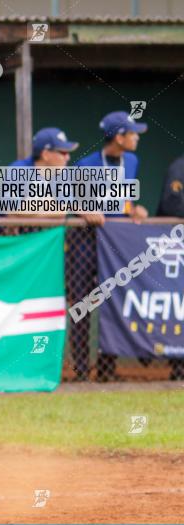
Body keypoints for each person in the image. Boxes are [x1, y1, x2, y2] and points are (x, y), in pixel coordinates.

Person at [72, 111, 150, 382]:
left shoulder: (132, 160)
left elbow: (125, 198)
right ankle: (81, 370)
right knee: (82, 302)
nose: (137, 137)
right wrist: (85, 211)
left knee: (116, 302)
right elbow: (68, 201)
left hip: (117, 242)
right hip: (86, 242)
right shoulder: (86, 165)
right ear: (119, 137)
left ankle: (107, 368)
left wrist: (134, 209)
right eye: (133, 133)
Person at [156, 154, 184, 380]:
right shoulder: (179, 166)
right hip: (173, 245)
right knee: (177, 306)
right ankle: (179, 366)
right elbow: (172, 204)